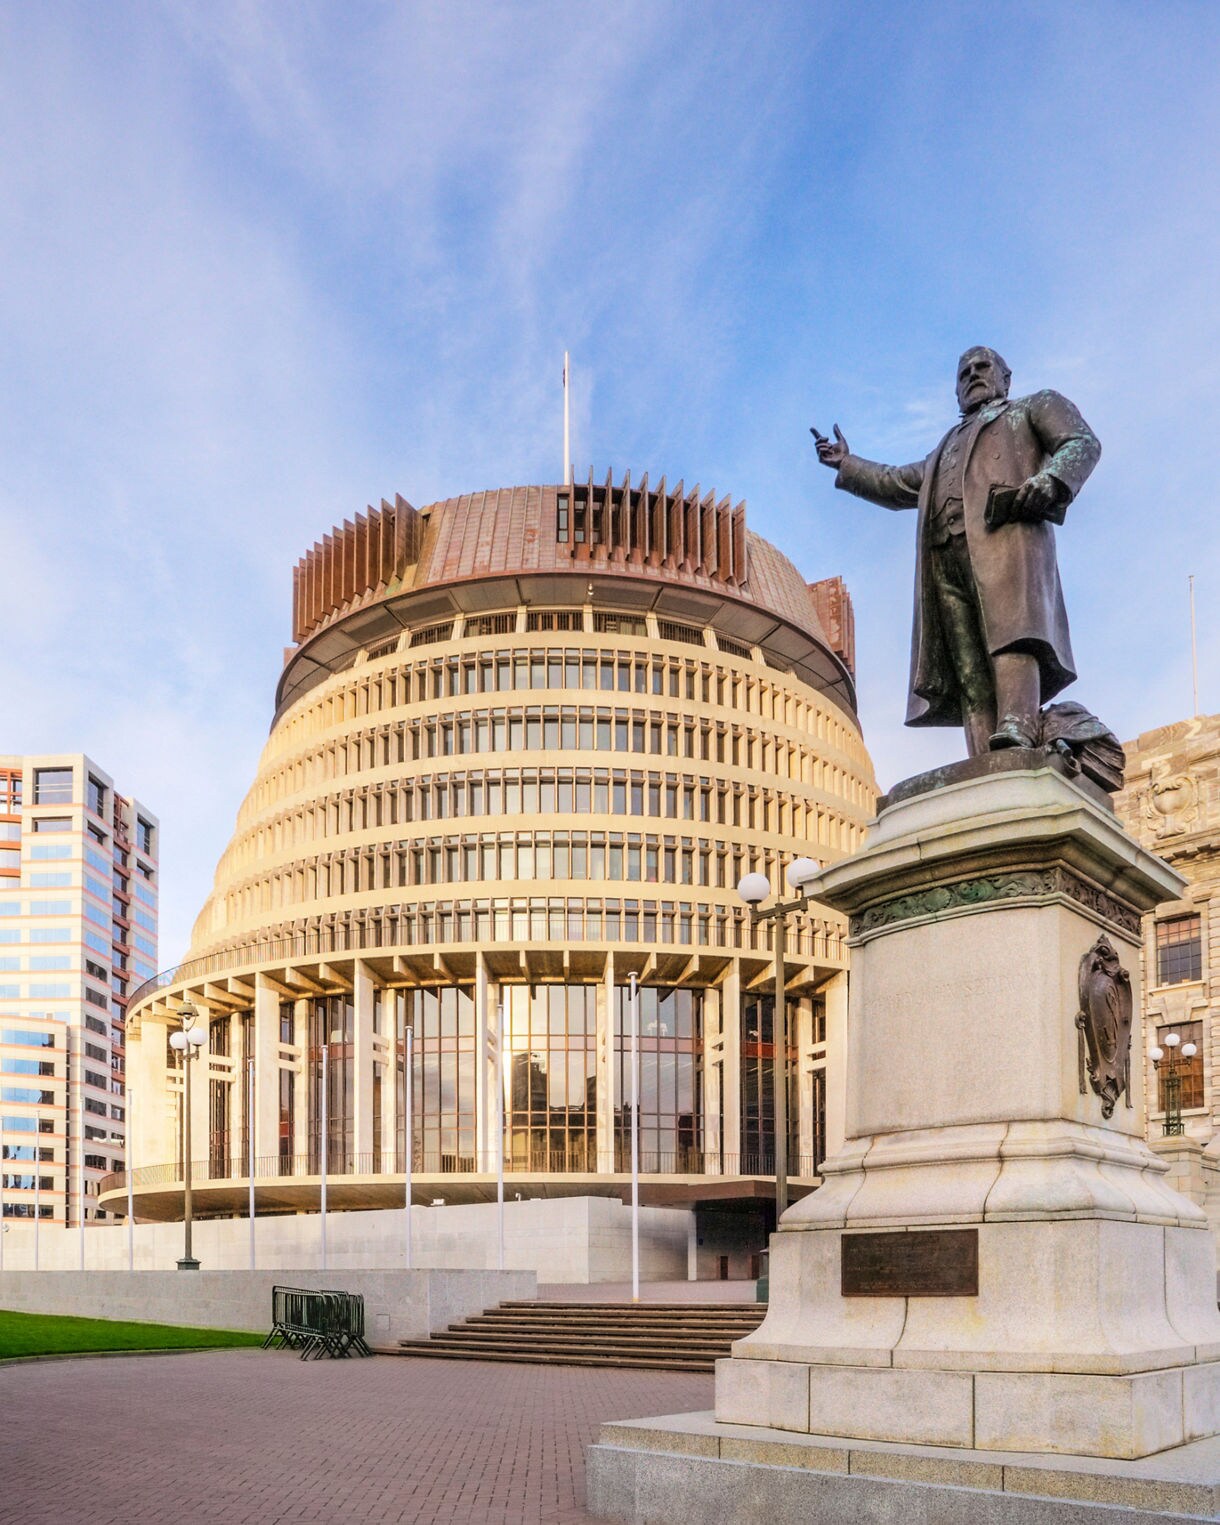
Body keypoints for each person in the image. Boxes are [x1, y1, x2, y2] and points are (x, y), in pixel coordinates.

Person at [813, 347, 1100, 758]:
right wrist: (848, 463)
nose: (972, 376)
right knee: (968, 664)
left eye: (983, 368)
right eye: (963, 372)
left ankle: (1018, 726)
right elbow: (896, 482)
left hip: (1006, 544)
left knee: (1012, 636)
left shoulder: (1034, 406)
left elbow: (1081, 441)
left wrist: (1052, 479)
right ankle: (983, 753)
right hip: (946, 560)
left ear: (1006, 378)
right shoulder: (945, 448)